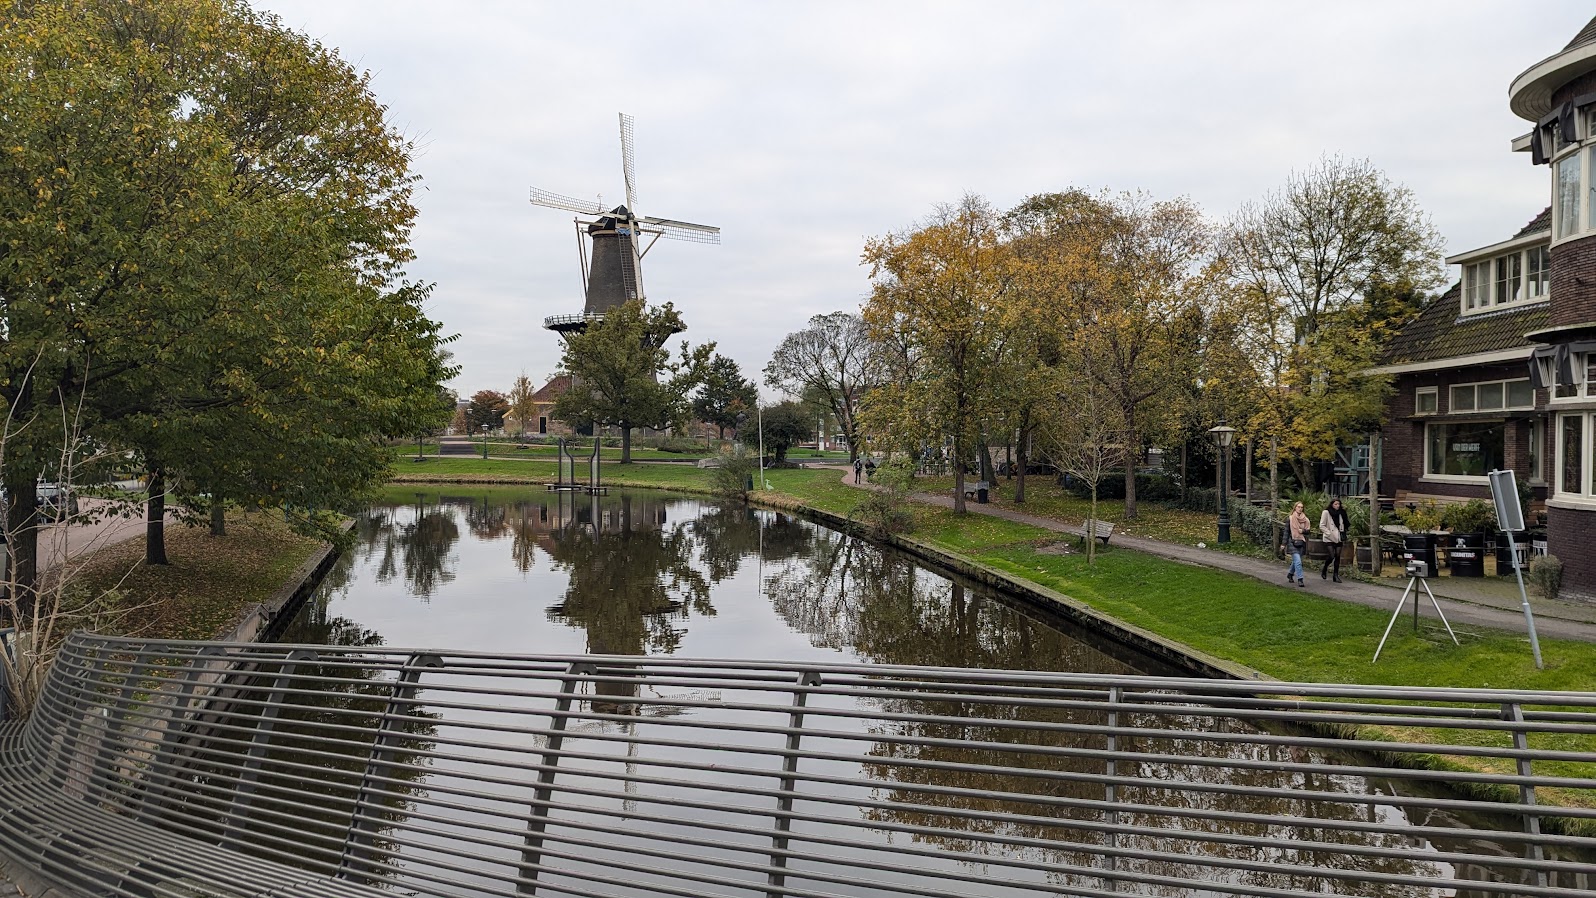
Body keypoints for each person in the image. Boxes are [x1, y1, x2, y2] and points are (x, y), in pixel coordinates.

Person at [1319, 498, 1350, 583]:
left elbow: (1344, 524)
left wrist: (1343, 531)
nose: (1337, 506)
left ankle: (1335, 575)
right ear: (1332, 504)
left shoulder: (1341, 513)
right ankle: (1325, 568)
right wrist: (1328, 533)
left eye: (1338, 504)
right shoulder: (1326, 512)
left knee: (1337, 556)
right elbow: (1322, 525)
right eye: (1335, 504)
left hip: (1338, 537)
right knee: (1331, 555)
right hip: (1329, 537)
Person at [1286, 501, 1310, 587]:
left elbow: (1308, 531)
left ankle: (1290, 574)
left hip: (1301, 542)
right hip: (1292, 541)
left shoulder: (1306, 520)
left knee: (1296, 561)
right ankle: (1300, 579)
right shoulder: (1290, 518)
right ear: (1295, 508)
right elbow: (1286, 532)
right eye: (1298, 507)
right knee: (1298, 562)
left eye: (1301, 507)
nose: (1300, 509)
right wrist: (1283, 544)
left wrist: (1303, 531)